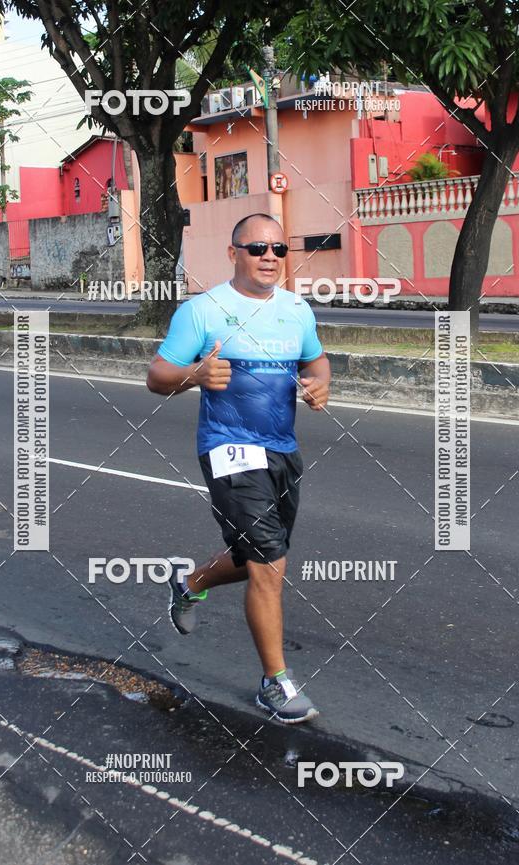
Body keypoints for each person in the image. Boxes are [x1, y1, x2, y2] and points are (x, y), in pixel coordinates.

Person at [146, 213, 331, 723]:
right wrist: (195, 374)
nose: (269, 257)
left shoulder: (296, 310)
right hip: (228, 448)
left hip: (281, 448)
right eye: (256, 249)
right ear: (234, 254)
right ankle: (275, 684)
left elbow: (316, 362)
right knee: (270, 565)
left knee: (260, 555)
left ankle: (188, 583)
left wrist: (320, 385)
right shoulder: (203, 311)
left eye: (278, 250)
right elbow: (157, 376)